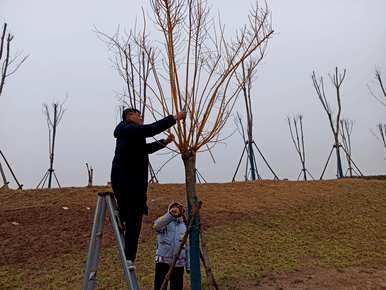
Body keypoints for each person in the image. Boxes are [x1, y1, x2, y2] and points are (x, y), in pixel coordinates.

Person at [111, 108, 186, 262]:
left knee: (131, 219)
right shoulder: (128, 129)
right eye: (139, 115)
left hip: (129, 183)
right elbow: (150, 129)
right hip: (129, 183)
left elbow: (146, 149)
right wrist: (174, 118)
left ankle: (128, 255)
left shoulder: (130, 134)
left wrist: (164, 142)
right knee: (134, 223)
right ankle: (129, 260)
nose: (141, 117)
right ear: (130, 116)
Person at [153, 202, 190, 290]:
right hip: (163, 262)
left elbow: (188, 246)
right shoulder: (164, 222)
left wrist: (188, 265)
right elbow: (156, 226)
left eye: (177, 209)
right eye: (173, 209)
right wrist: (170, 215)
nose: (175, 211)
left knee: (177, 287)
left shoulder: (185, 226)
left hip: (178, 264)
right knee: (159, 286)